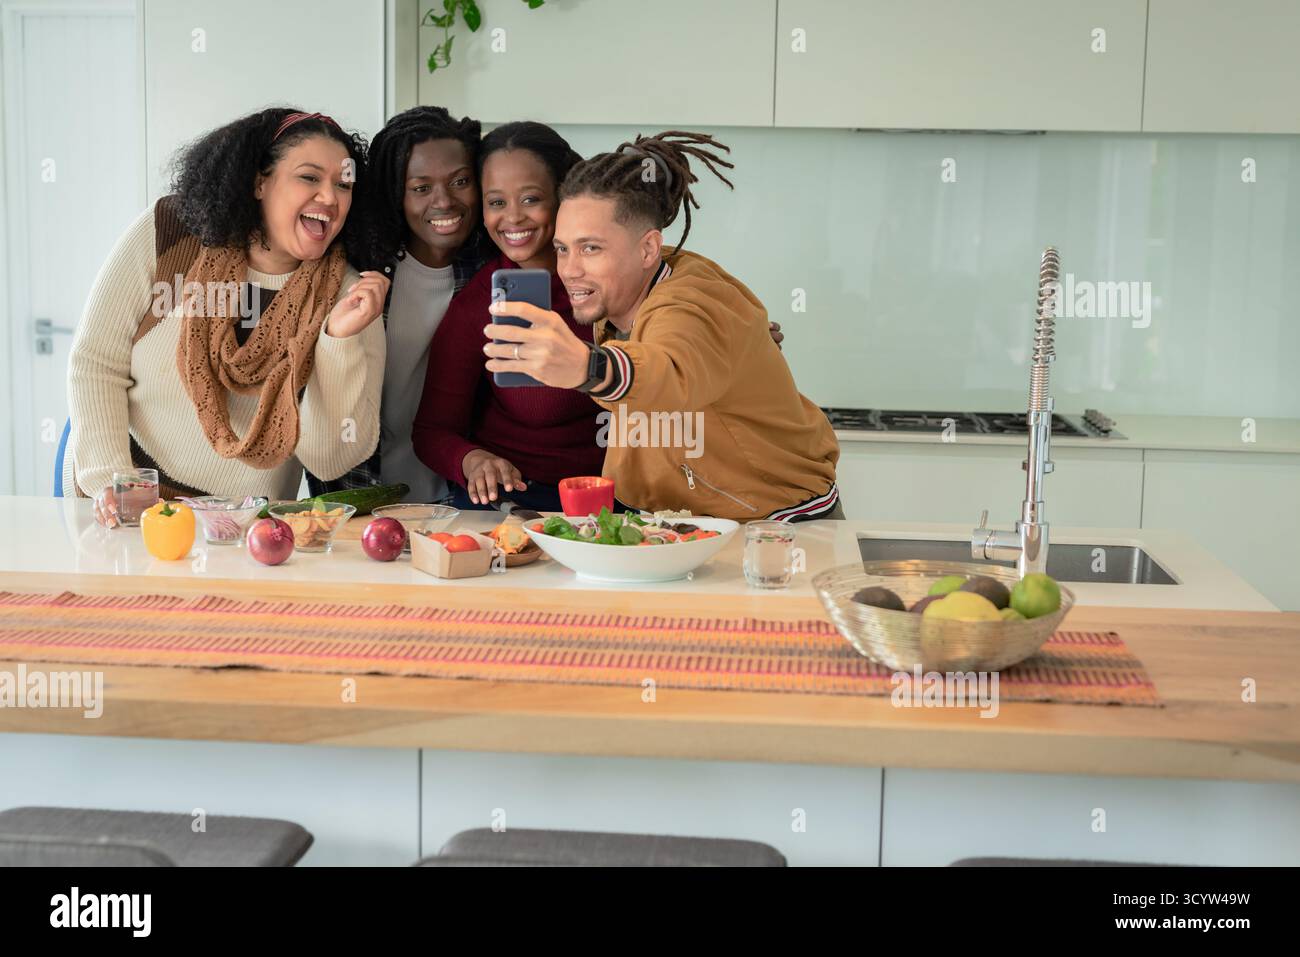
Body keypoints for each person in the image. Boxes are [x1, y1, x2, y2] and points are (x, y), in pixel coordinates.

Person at [480, 131, 842, 521]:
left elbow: (670, 369)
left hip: (776, 522)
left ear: (648, 248)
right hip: (671, 520)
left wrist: (588, 367)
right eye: (563, 248)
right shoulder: (622, 287)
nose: (569, 269)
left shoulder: (689, 303)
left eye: (591, 248)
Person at [68, 108, 389, 527]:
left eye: (344, 184)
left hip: (241, 526)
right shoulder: (170, 230)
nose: (330, 198)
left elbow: (330, 460)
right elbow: (96, 363)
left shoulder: (352, 297)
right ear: (259, 182)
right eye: (309, 177)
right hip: (125, 498)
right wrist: (114, 483)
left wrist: (337, 339)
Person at [411, 122, 601, 511]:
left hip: (620, 496)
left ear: (563, 196)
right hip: (519, 500)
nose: (513, 219)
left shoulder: (614, 283)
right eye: (497, 202)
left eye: (530, 199)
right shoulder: (478, 306)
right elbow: (433, 431)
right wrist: (472, 460)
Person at [314, 106, 495, 502]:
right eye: (420, 187)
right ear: (394, 192)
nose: (443, 201)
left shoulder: (494, 274)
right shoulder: (351, 277)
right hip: (360, 496)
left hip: (465, 501)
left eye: (460, 181)